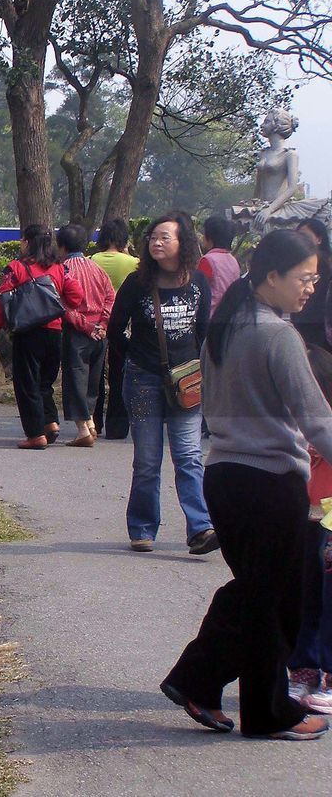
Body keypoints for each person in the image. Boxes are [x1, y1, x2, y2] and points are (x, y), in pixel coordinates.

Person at [162, 229, 332, 740]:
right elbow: (317, 420)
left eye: (316, 279)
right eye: (304, 279)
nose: (310, 289)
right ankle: (264, 712)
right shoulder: (276, 334)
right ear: (272, 277)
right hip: (268, 482)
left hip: (228, 478)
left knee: (265, 596)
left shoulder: (229, 323)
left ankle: (199, 679)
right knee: (271, 601)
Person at [107, 214, 215, 554]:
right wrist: (136, 359)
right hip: (142, 381)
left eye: (165, 237)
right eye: (153, 237)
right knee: (148, 459)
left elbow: (205, 330)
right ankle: (142, 528)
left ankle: (200, 528)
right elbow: (115, 329)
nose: (157, 242)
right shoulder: (136, 283)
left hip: (187, 383)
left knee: (189, 456)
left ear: (182, 242)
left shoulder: (198, 282)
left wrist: (198, 368)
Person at [0, 223, 83, 450]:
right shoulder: (59, 268)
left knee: (27, 383)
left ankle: (35, 434)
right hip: (55, 331)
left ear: (28, 242)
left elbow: (1, 302)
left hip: (28, 332)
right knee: (45, 383)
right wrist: (59, 305)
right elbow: (76, 296)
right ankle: (50, 423)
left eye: (22, 240)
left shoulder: (16, 268)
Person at [287, 346, 332, 715]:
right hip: (302, 519)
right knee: (303, 598)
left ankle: (331, 675)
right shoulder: (290, 428)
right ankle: (302, 669)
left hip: (330, 520)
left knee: (330, 602)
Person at [57, 223, 115, 447]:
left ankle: (83, 428)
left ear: (61, 246)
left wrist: (86, 327)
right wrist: (102, 325)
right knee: (93, 379)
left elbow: (62, 306)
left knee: (75, 378)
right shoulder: (97, 269)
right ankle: (91, 423)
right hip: (100, 333)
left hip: (77, 332)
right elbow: (110, 297)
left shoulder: (63, 270)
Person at [90, 218, 139, 440]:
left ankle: (94, 422)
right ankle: (117, 426)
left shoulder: (91, 260)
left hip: (96, 323)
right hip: (123, 325)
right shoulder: (133, 264)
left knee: (96, 374)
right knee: (119, 374)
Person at [292, 217, 330, 350]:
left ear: (319, 239)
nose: (300, 240)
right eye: (298, 236)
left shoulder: (325, 263)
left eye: (305, 236)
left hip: (318, 324)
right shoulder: (300, 261)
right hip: (303, 320)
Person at [196, 215, 240, 318]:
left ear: (210, 239)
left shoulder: (207, 260)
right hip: (229, 315)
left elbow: (198, 289)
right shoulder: (233, 260)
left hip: (210, 316)